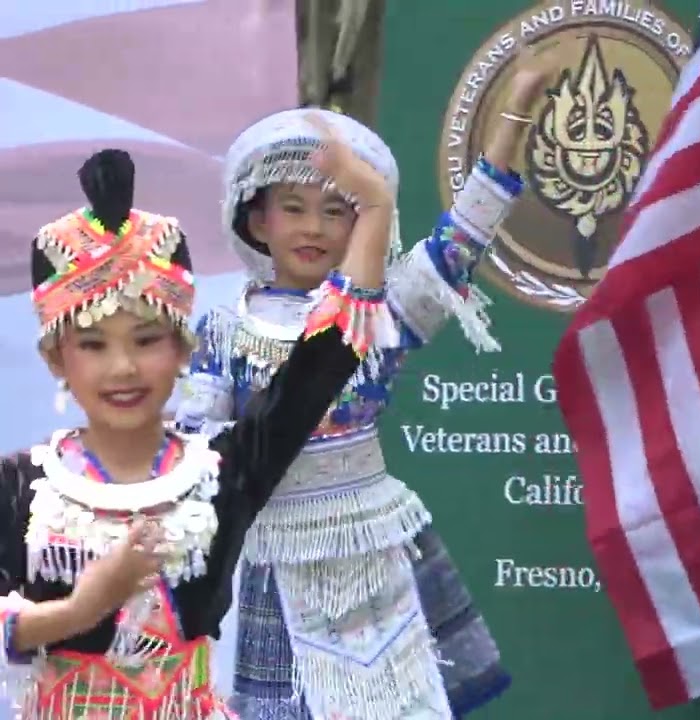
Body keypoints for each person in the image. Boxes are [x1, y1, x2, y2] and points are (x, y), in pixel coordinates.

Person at [175, 62, 554, 719]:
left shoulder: (379, 314)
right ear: (257, 221)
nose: (314, 228)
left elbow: (460, 241)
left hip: (372, 551)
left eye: (336, 211)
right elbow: (194, 459)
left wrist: (516, 108)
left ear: (362, 228)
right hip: (276, 560)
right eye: (294, 209)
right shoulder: (223, 332)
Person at [0, 145, 390, 719]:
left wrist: (376, 208)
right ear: (57, 359)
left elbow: (322, 362)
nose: (123, 368)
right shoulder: (20, 485)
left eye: (146, 341)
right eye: (93, 345)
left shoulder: (223, 472)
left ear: (184, 349)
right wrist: (80, 610)